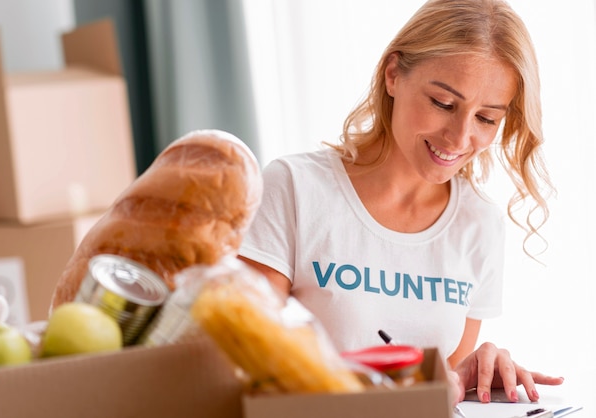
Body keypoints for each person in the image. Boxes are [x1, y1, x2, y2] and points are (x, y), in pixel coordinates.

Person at [238, 0, 564, 406]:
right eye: (444, 104)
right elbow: (246, 361)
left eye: (486, 119)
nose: (460, 138)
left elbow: (440, 393)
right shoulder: (294, 188)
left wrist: (468, 375)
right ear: (393, 75)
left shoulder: (480, 225)